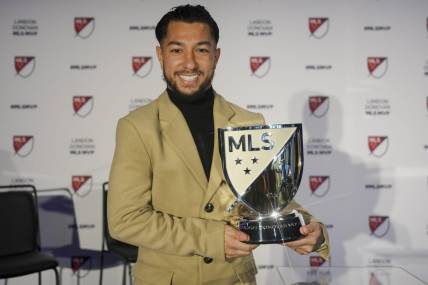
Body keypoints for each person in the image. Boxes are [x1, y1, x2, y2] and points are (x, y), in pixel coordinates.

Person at [108, 4, 329, 285]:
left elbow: (269, 199)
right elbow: (126, 219)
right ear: (160, 54)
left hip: (236, 278)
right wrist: (210, 238)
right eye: (177, 50)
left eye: (201, 50)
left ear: (216, 55)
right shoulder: (137, 127)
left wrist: (309, 227)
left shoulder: (250, 120)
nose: (189, 63)